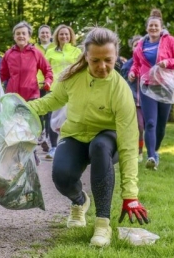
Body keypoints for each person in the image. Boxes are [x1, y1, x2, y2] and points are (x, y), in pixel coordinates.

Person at [27, 27, 149, 247]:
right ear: (86, 57)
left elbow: (129, 144)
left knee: (100, 147)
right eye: (95, 60)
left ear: (116, 57)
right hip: (75, 134)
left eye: (108, 60)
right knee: (61, 177)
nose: (102, 66)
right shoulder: (72, 78)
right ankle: (79, 202)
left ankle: (103, 224)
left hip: (107, 137)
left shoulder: (120, 91)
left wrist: (130, 195)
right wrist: (22, 108)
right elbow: (50, 102)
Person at [128, 9, 174, 170]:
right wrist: (133, 72)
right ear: (146, 28)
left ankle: (156, 150)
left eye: (156, 25)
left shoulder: (170, 41)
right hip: (147, 86)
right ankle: (151, 156)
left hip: (165, 86)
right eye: (150, 26)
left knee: (161, 125)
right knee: (151, 123)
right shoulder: (141, 44)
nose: (153, 28)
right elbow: (136, 63)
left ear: (161, 28)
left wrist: (168, 63)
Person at [0, 21, 53, 166]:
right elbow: (2, 74)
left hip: (31, 95)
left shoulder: (36, 52)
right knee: (15, 126)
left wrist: (48, 81)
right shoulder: (9, 54)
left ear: (29, 36)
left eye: (24, 33)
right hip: (13, 96)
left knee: (29, 126)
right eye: (18, 34)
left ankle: (32, 152)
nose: (21, 36)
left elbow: (48, 70)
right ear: (14, 36)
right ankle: (18, 155)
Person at [43, 24, 82, 160]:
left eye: (67, 34)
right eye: (61, 34)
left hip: (72, 89)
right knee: (53, 118)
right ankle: (53, 147)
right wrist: (43, 82)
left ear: (71, 36)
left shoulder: (77, 52)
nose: (64, 36)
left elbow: (81, 70)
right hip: (55, 88)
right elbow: (45, 69)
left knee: (71, 117)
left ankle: (70, 147)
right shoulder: (50, 52)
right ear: (57, 36)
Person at [121, 35, 145, 162]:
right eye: (135, 45)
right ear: (132, 48)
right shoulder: (127, 66)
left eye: (141, 44)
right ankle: (138, 152)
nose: (138, 47)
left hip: (149, 101)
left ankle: (152, 153)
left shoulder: (150, 63)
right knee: (139, 127)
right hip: (134, 102)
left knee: (150, 127)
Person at [35, 25, 54, 152]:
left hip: (51, 84)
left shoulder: (55, 48)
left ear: (51, 35)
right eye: (42, 33)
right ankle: (41, 134)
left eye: (47, 33)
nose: (45, 35)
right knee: (38, 112)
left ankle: (48, 137)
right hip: (36, 83)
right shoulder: (34, 48)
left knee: (49, 113)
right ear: (39, 35)